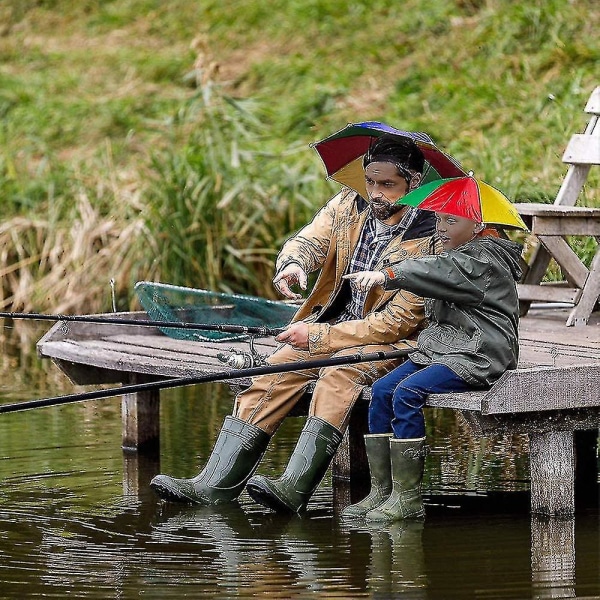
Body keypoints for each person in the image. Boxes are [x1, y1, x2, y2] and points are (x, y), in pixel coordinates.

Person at [150, 133, 440, 513]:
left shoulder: (432, 235)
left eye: (387, 185)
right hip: (328, 329)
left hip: (394, 344)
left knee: (338, 377)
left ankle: (295, 487)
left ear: (413, 183)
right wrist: (293, 265)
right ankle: (214, 484)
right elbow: (308, 241)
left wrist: (318, 336)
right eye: (370, 181)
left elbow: (398, 322)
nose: (375, 192)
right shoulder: (347, 205)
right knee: (274, 369)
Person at [340, 211, 523, 522]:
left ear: (477, 226)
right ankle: (382, 491)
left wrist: (387, 275)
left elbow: (439, 271)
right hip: (447, 347)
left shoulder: (481, 260)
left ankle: (407, 498)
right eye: (439, 219)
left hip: (480, 353)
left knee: (407, 392)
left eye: (451, 221)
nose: (441, 227)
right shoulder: (455, 252)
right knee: (383, 389)